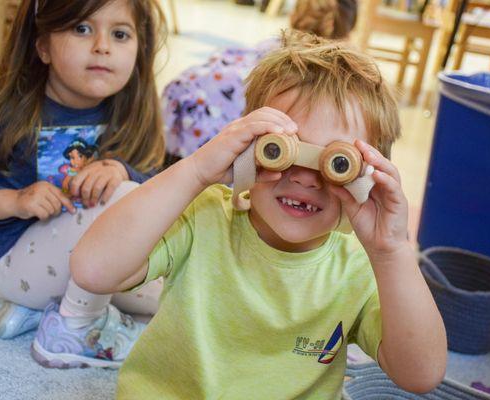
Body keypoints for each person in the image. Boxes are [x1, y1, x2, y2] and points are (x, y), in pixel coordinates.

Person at [73, 31, 447, 398]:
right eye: (281, 149)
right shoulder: (204, 215)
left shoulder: (361, 265)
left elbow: (420, 375)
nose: (304, 176)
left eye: (337, 163)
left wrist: (392, 251)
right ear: (248, 147)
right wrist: (197, 170)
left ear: (365, 178)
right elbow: (93, 270)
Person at [0, 0, 165, 368]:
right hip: (15, 262)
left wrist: (124, 170)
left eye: (120, 33)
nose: (102, 45)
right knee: (124, 199)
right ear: (43, 46)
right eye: (81, 29)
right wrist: (15, 201)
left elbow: (160, 189)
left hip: (91, 270)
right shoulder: (9, 112)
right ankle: (75, 328)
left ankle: (45, 311)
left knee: (181, 287)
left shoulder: (131, 117)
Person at [161, 0, 358, 162]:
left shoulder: (267, 51)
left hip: (176, 113)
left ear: (293, 17)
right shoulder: (331, 84)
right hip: (209, 146)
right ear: (348, 33)